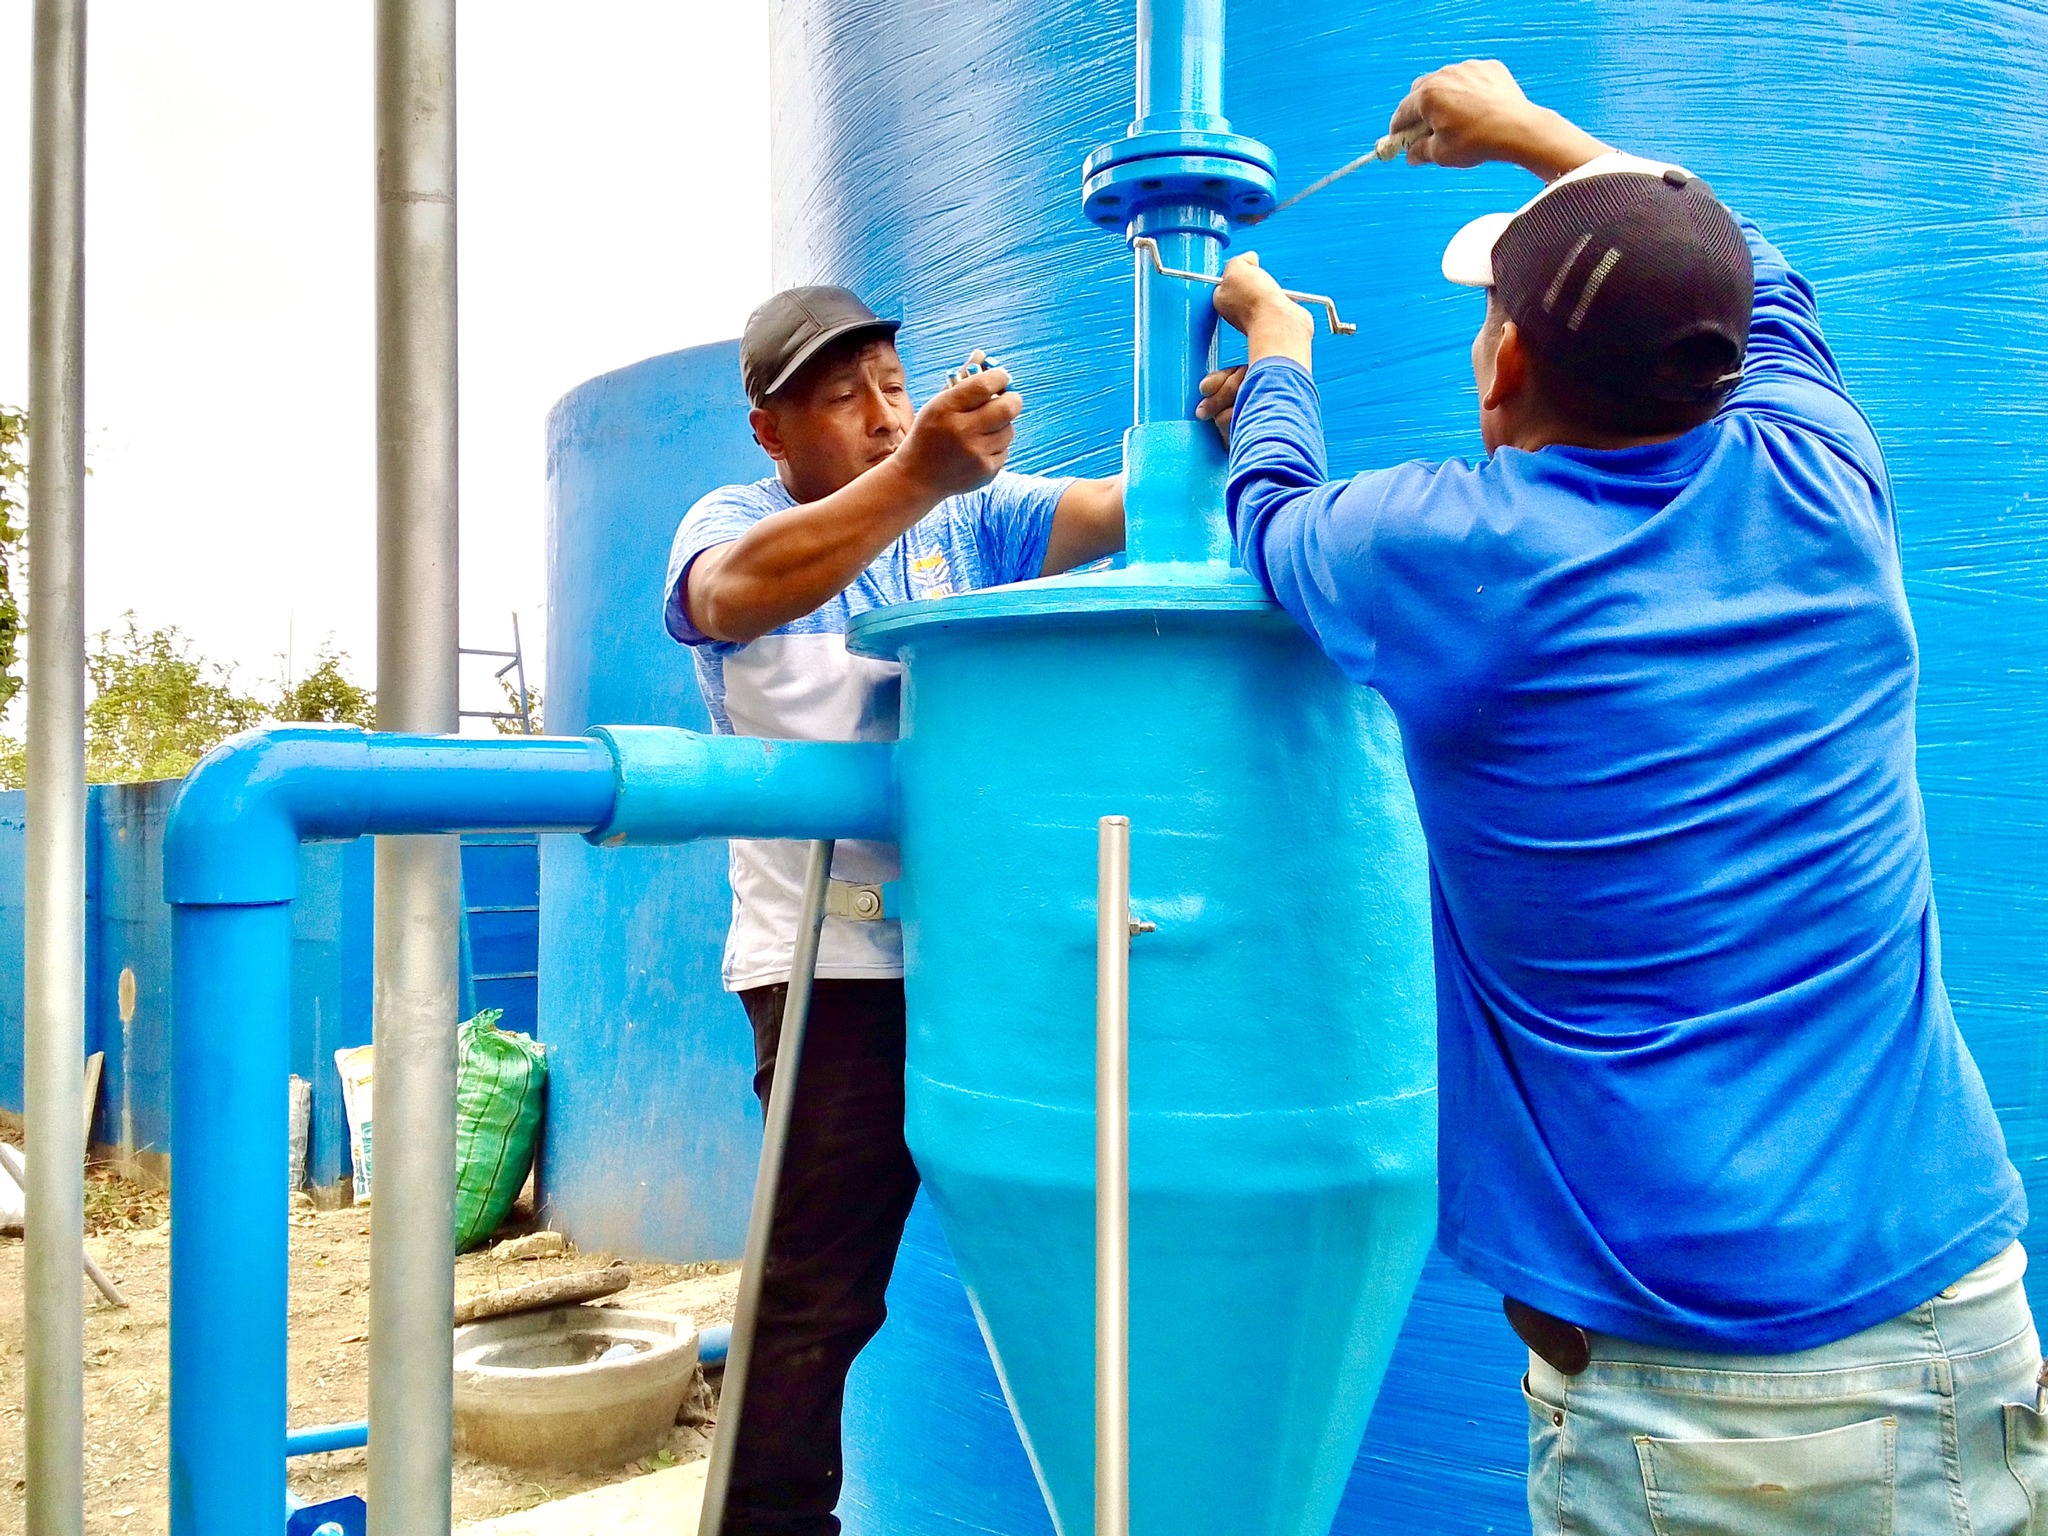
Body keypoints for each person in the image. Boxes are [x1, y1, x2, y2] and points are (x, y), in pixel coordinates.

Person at [1198, 59, 2043, 1536]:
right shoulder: (1821, 473)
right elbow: (1752, 269)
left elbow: (1269, 521)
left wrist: (1277, 354)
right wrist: (1541, 140)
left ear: (1504, 363)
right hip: (1960, 1319)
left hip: (1693, 1401)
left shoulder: (1453, 552)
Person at [662, 286, 1122, 1535]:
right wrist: (916, 476)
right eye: (839, 397)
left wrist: (1215, 433)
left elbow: (1112, 514)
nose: (880, 417)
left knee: (1077, 1238)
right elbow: (727, 597)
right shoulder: (739, 519)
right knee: (816, 1297)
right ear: (769, 429)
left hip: (982, 956)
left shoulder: (975, 513)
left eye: (892, 386)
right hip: (829, 966)